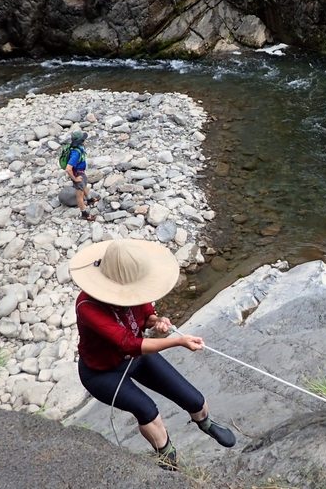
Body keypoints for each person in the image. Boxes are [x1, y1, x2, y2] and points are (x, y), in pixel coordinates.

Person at [69, 239, 236, 470]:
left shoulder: (137, 286)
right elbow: (127, 343)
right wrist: (177, 341)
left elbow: (146, 316)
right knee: (147, 410)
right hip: (102, 372)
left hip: (136, 359)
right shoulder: (87, 305)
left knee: (193, 398)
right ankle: (167, 456)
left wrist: (157, 321)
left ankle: (205, 422)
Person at [64, 130, 98, 221]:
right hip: (78, 174)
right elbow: (68, 168)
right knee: (79, 195)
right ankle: (84, 213)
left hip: (81, 172)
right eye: (83, 139)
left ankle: (90, 199)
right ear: (80, 141)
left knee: (84, 186)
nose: (85, 140)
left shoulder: (77, 147)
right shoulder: (76, 153)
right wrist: (75, 179)